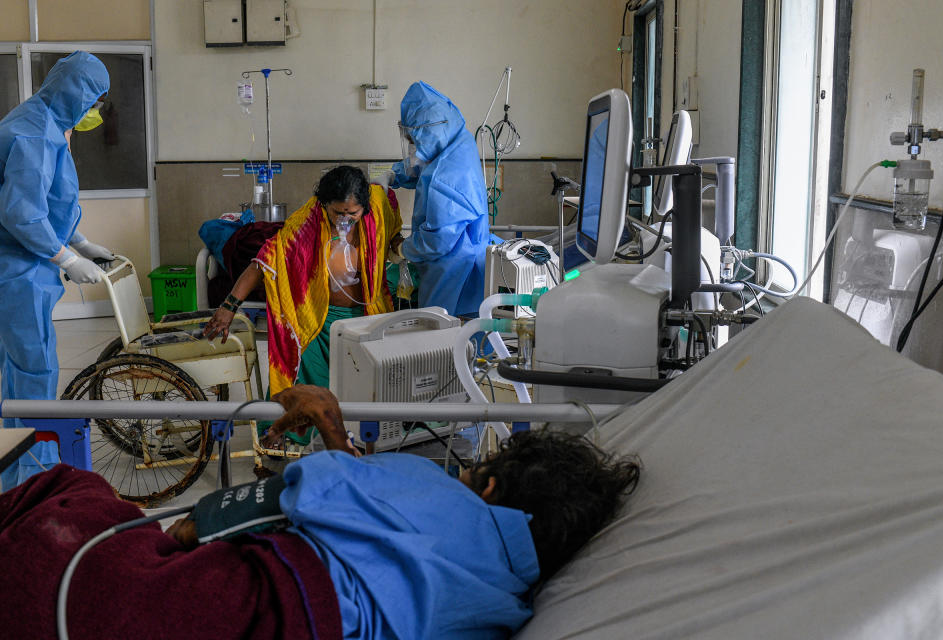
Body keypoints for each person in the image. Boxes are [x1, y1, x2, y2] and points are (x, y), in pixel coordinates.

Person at [0, 384, 641, 639]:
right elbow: (373, 520)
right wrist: (336, 435)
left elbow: (312, 486)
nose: (461, 477)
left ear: (493, 488)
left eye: (472, 472)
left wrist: (325, 438)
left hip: (265, 598)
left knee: (74, 494)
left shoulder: (448, 494)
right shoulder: (506, 605)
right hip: (314, 620)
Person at [203, 166, 403, 418]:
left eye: (352, 213)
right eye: (337, 213)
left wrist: (400, 246)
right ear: (324, 205)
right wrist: (228, 307)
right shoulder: (307, 223)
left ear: (364, 207)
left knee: (372, 387)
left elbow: (393, 227)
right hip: (318, 321)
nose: (344, 219)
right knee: (303, 383)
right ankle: (290, 434)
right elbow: (264, 262)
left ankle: (363, 436)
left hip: (368, 317)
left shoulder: (378, 209)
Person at [0, 51, 112, 489]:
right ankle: (33, 472)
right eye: (94, 100)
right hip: (17, 267)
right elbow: (23, 214)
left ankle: (16, 459)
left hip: (25, 262)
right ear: (74, 94)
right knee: (34, 366)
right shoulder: (32, 135)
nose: (96, 111)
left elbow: (53, 200)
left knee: (18, 366)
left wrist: (79, 240)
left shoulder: (47, 124)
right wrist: (65, 257)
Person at [383, 81, 492, 316]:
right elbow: (423, 165)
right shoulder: (457, 142)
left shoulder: (447, 176)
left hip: (454, 273)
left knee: (446, 338)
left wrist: (403, 249)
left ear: (429, 132)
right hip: (461, 260)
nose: (412, 147)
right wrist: (393, 175)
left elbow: (437, 242)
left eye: (413, 141)